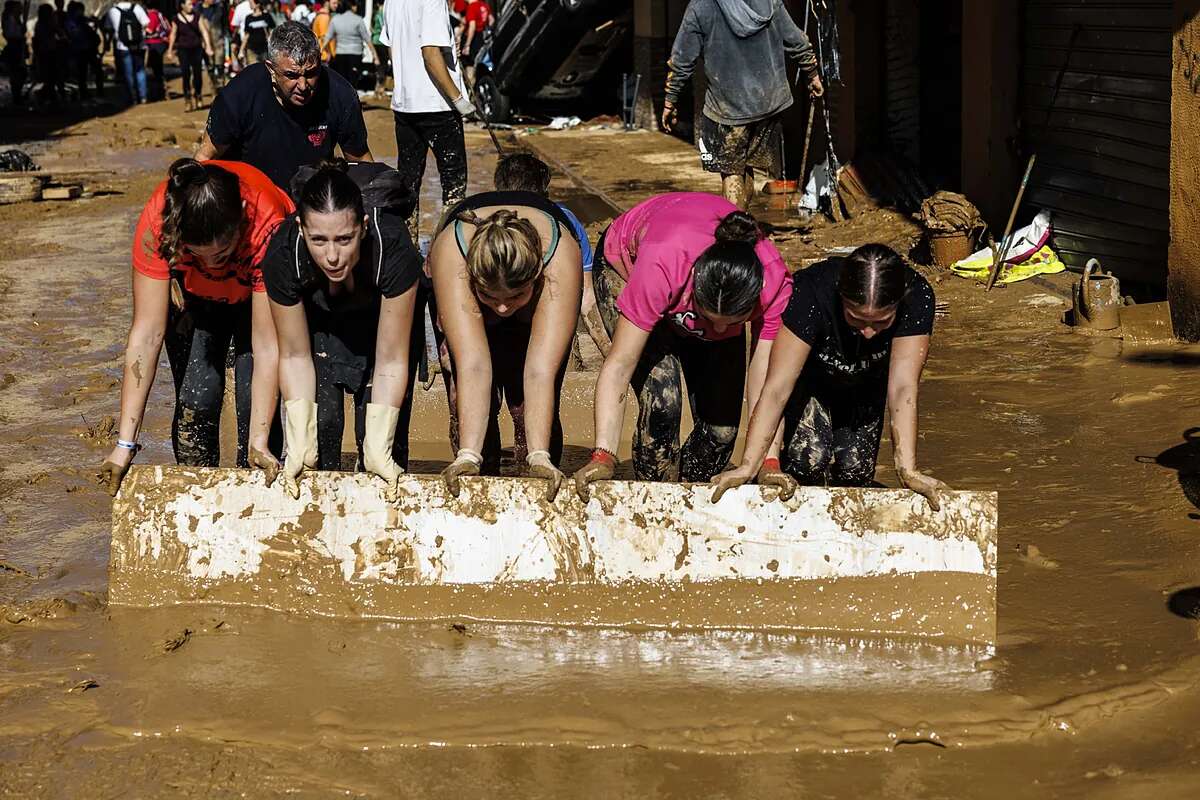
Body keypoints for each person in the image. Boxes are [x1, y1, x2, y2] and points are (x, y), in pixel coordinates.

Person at [571, 193, 793, 498]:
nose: (717, 330)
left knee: (722, 432)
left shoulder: (775, 284)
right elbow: (620, 365)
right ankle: (651, 501)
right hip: (627, 263)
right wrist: (603, 456)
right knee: (663, 405)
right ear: (694, 281)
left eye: (731, 322)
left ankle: (695, 499)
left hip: (688, 290)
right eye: (709, 318)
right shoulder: (663, 264)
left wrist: (768, 461)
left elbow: (770, 386)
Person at [97, 158, 292, 496]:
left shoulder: (267, 222)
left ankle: (256, 498)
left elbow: (267, 346)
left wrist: (258, 442)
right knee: (195, 400)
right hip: (193, 297)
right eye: (196, 254)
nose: (208, 264)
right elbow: (146, 334)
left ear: (241, 217)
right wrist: (125, 444)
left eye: (219, 255)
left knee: (254, 409)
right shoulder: (160, 220)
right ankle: (199, 498)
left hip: (254, 297)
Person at [710, 244, 949, 510]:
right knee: (808, 460)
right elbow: (777, 387)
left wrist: (908, 471)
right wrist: (750, 465)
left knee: (854, 474)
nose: (869, 332)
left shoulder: (917, 297)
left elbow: (903, 388)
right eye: (857, 320)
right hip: (811, 380)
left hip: (866, 380)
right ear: (841, 299)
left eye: (881, 323)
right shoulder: (811, 292)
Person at [260, 162, 422, 496]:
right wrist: (299, 440)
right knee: (324, 426)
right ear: (301, 229)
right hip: (320, 321)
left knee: (380, 442)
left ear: (363, 227)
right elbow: (293, 355)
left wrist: (379, 445)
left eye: (344, 239)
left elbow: (392, 358)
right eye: (318, 240)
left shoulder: (393, 249)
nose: (332, 256)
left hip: (384, 322)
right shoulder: (282, 255)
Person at [427, 190, 582, 500]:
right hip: (462, 259)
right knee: (468, 421)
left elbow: (539, 371)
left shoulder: (560, 255)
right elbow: (473, 364)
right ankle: (474, 475)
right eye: (489, 297)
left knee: (527, 415)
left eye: (513, 297)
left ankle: (538, 469)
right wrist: (467, 456)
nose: (501, 309)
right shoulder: (451, 251)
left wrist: (539, 456)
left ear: (537, 276)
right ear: (472, 277)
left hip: (544, 272)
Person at [662, 0, 822, 210]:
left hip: (727, 108)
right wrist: (812, 74)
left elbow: (682, 57)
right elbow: (796, 39)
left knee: (731, 172)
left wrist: (670, 99)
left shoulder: (701, 5)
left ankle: (734, 233)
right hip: (767, 103)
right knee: (745, 166)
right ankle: (743, 224)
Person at [196, 21, 372, 190]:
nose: (303, 86)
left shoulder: (340, 93)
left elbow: (361, 162)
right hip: (252, 197)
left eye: (311, 73)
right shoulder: (239, 95)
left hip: (311, 198)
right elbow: (205, 157)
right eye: (292, 75)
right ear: (271, 70)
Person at [492, 152, 607, 355]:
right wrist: (608, 349)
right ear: (545, 191)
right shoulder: (566, 220)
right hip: (545, 314)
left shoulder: (485, 219)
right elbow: (586, 294)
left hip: (496, 311)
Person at [380, 0, 474, 243]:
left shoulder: (392, 2)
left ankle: (409, 251)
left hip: (405, 104)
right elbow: (430, 54)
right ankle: (450, 251)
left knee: (408, 184)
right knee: (454, 191)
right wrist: (459, 99)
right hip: (437, 105)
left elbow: (393, 49)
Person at [168, 0, 212, 111]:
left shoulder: (197, 16)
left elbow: (204, 32)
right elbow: (173, 34)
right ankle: (187, 99)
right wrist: (170, 49)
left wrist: (208, 46)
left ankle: (198, 95)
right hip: (183, 49)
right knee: (185, 74)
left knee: (198, 74)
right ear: (182, 5)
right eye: (189, 4)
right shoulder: (176, 19)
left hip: (196, 48)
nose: (191, 6)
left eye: (192, 4)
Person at [322, 1, 374, 89]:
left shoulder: (335, 19)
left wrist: (321, 49)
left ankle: (343, 100)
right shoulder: (358, 19)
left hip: (340, 54)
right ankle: (352, 100)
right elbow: (366, 38)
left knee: (342, 80)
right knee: (353, 80)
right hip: (355, 54)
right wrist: (374, 55)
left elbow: (328, 37)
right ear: (351, 7)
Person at [106, 0, 150, 104]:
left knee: (128, 73)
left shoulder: (112, 11)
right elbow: (146, 24)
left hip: (122, 46)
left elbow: (108, 28)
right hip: (139, 45)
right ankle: (143, 96)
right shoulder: (137, 8)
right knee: (140, 70)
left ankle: (132, 98)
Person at [64, 2, 103, 100]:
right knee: (83, 73)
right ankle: (84, 92)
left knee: (93, 71)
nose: (81, 12)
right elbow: (75, 35)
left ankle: (96, 90)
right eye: (79, 10)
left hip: (87, 49)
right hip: (80, 50)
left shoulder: (81, 20)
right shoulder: (71, 22)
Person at [31, 3, 66, 108]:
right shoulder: (44, 24)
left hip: (47, 52)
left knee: (51, 78)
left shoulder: (41, 24)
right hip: (47, 53)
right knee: (51, 77)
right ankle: (46, 97)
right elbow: (58, 34)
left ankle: (51, 98)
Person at [455, 0, 489, 87]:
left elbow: (472, 27)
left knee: (469, 68)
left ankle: (470, 91)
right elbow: (491, 20)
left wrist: (467, 45)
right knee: (473, 67)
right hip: (480, 37)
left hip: (472, 41)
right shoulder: (483, 5)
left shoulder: (472, 7)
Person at [2, 1, 28, 107]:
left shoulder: (16, 19)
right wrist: (20, 32)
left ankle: (17, 95)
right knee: (17, 72)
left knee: (20, 72)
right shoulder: (10, 20)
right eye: (19, 7)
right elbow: (10, 34)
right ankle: (16, 96)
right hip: (14, 47)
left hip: (17, 46)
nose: (21, 9)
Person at [143, 0, 170, 99]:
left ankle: (160, 92)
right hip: (160, 44)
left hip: (154, 44)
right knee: (158, 69)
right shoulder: (159, 14)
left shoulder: (152, 15)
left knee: (155, 70)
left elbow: (149, 30)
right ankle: (162, 91)